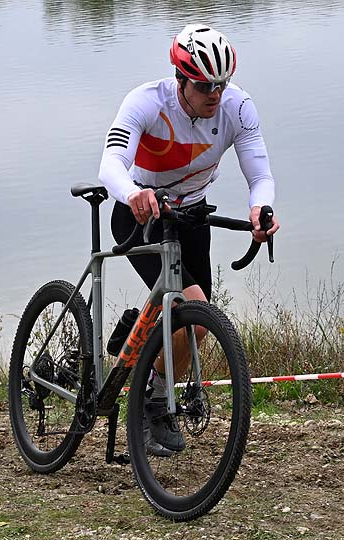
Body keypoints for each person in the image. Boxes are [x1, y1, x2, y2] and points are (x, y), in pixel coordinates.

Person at [98, 23, 280, 455]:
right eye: (203, 85)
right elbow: (110, 164)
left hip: (191, 215)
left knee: (195, 325)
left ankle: (151, 383)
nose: (214, 93)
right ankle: (150, 403)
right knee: (194, 309)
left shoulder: (238, 108)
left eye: (221, 83)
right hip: (141, 214)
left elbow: (260, 174)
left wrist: (261, 208)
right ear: (180, 79)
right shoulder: (146, 102)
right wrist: (133, 193)